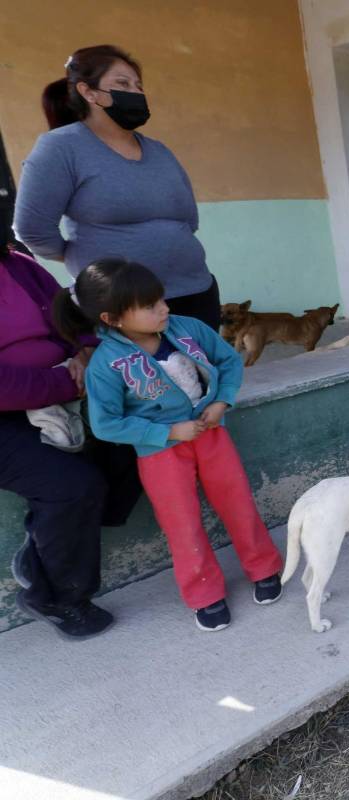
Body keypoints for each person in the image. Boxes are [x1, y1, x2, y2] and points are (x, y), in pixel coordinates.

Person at [53, 259, 284, 632]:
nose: (164, 309)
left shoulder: (188, 329)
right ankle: (204, 593)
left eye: (161, 299)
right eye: (150, 306)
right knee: (182, 524)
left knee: (239, 502)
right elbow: (106, 423)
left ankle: (264, 566)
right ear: (113, 318)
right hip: (159, 453)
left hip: (211, 435)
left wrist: (221, 401)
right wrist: (167, 433)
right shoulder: (106, 364)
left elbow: (227, 361)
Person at [14, 45, 222, 330]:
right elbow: (32, 228)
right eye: (122, 84)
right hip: (119, 304)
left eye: (138, 85)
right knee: (140, 375)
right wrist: (85, 257)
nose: (135, 93)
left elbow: (188, 220)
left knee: (203, 374)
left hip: (195, 292)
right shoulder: (61, 147)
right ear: (89, 93)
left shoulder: (159, 151)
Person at [2, 241, 141, 639]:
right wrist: (66, 382)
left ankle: (41, 554)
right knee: (73, 486)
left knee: (132, 442)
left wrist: (89, 352)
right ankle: (59, 596)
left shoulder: (20, 265)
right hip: (14, 413)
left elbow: (73, 319)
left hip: (61, 391)